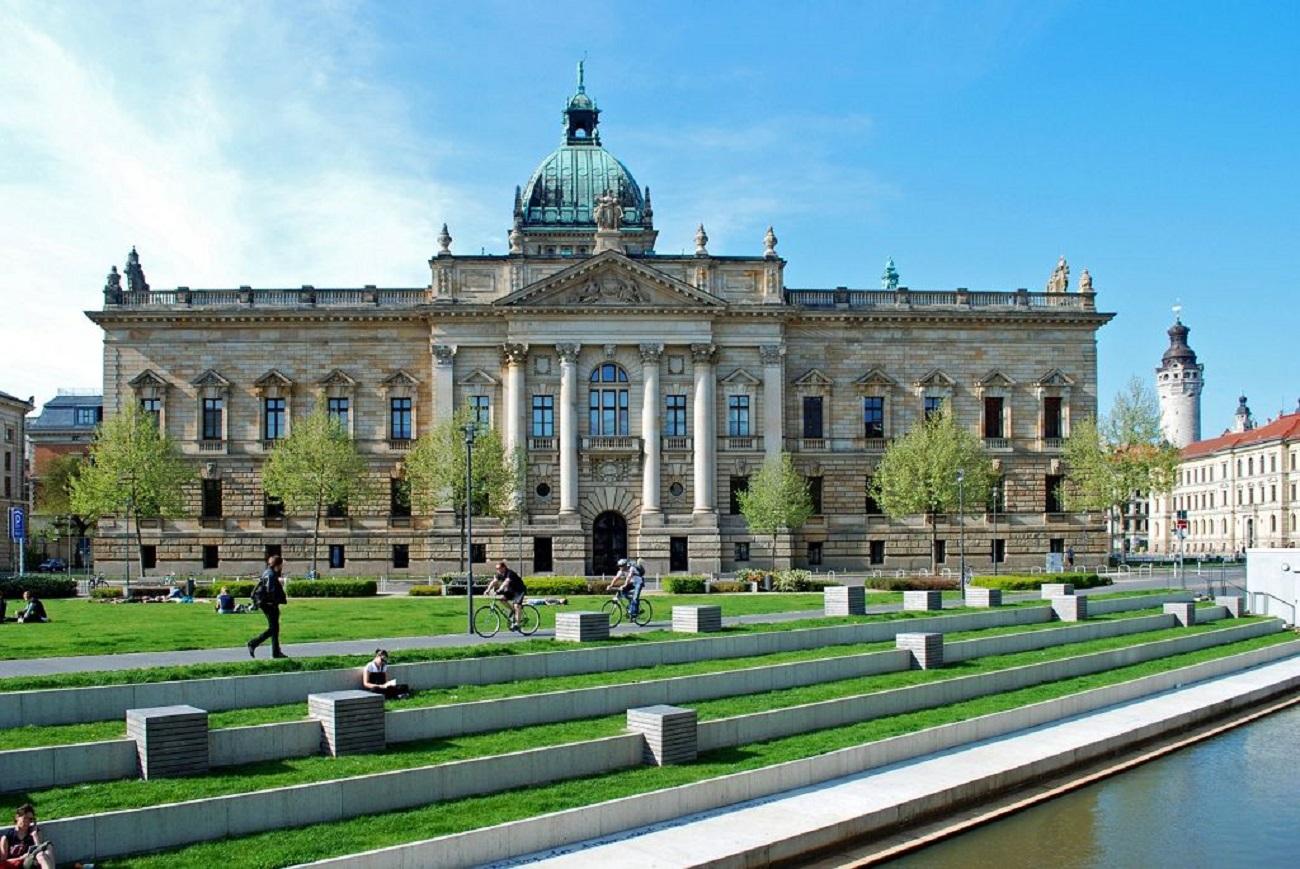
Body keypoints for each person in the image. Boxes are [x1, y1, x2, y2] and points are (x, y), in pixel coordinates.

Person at [247, 555, 288, 658]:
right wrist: (274, 602)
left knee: (275, 628)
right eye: (281, 564)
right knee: (273, 628)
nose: (282, 566)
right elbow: (271, 591)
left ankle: (276, 652)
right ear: (278, 565)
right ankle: (253, 643)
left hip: (267, 603)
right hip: (269, 604)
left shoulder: (267, 572)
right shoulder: (271, 575)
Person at [1, 803, 55, 869]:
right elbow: (3, 862)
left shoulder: (35, 832)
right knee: (43, 853)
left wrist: (35, 836)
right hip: (20, 865)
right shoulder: (7, 838)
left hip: (33, 863)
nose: (27, 822)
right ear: (17, 817)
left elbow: (40, 851)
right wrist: (21, 858)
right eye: (25, 818)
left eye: (30, 819)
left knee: (47, 848)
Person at [484, 561, 526, 629]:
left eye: (499, 568)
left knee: (517, 605)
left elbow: (506, 582)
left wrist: (500, 590)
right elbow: (494, 581)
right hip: (511, 590)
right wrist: (488, 590)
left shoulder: (510, 573)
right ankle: (513, 610)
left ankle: (517, 624)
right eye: (496, 568)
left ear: (504, 567)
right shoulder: (499, 574)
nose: (498, 570)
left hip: (519, 590)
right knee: (502, 599)